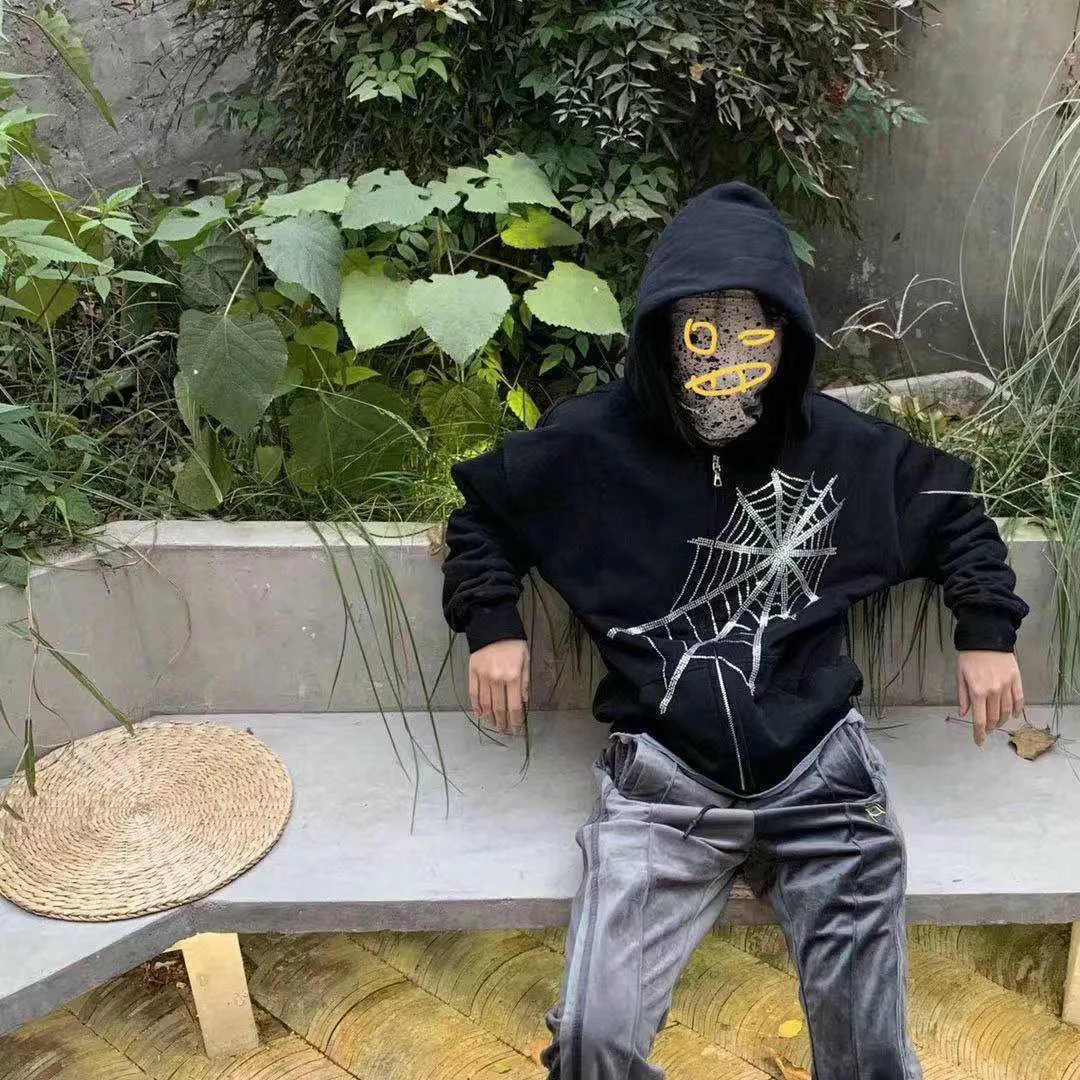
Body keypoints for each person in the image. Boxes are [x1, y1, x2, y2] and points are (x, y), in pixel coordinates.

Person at [440, 182, 1028, 1080]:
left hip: (822, 778)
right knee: (592, 1043)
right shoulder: (591, 446)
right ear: (662, 334)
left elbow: (952, 506)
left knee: (872, 1054)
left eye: (755, 336)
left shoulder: (837, 448)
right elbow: (484, 506)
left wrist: (985, 628)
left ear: (787, 337)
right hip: (661, 786)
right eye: (702, 336)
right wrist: (491, 622)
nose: (728, 362)